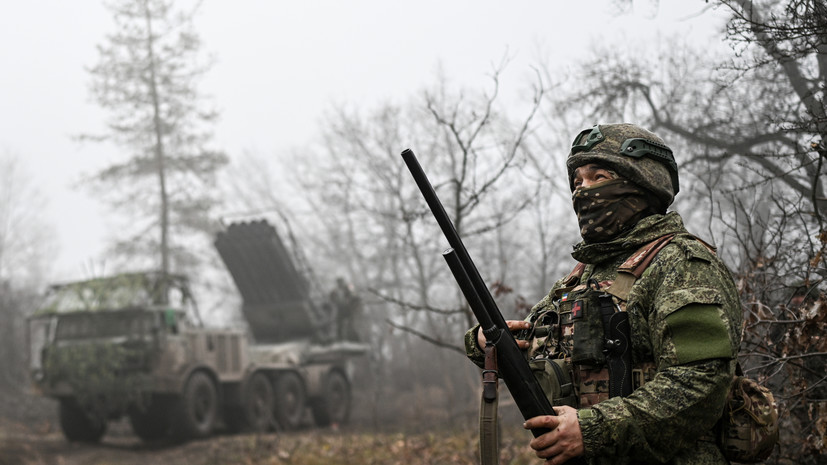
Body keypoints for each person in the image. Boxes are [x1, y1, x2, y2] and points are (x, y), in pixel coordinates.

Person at [464, 124, 742, 465]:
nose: (583, 190)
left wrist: (592, 430)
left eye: (599, 177)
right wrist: (483, 342)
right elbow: (527, 347)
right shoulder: (584, 274)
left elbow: (700, 384)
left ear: (641, 185)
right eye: (578, 181)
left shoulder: (682, 263)